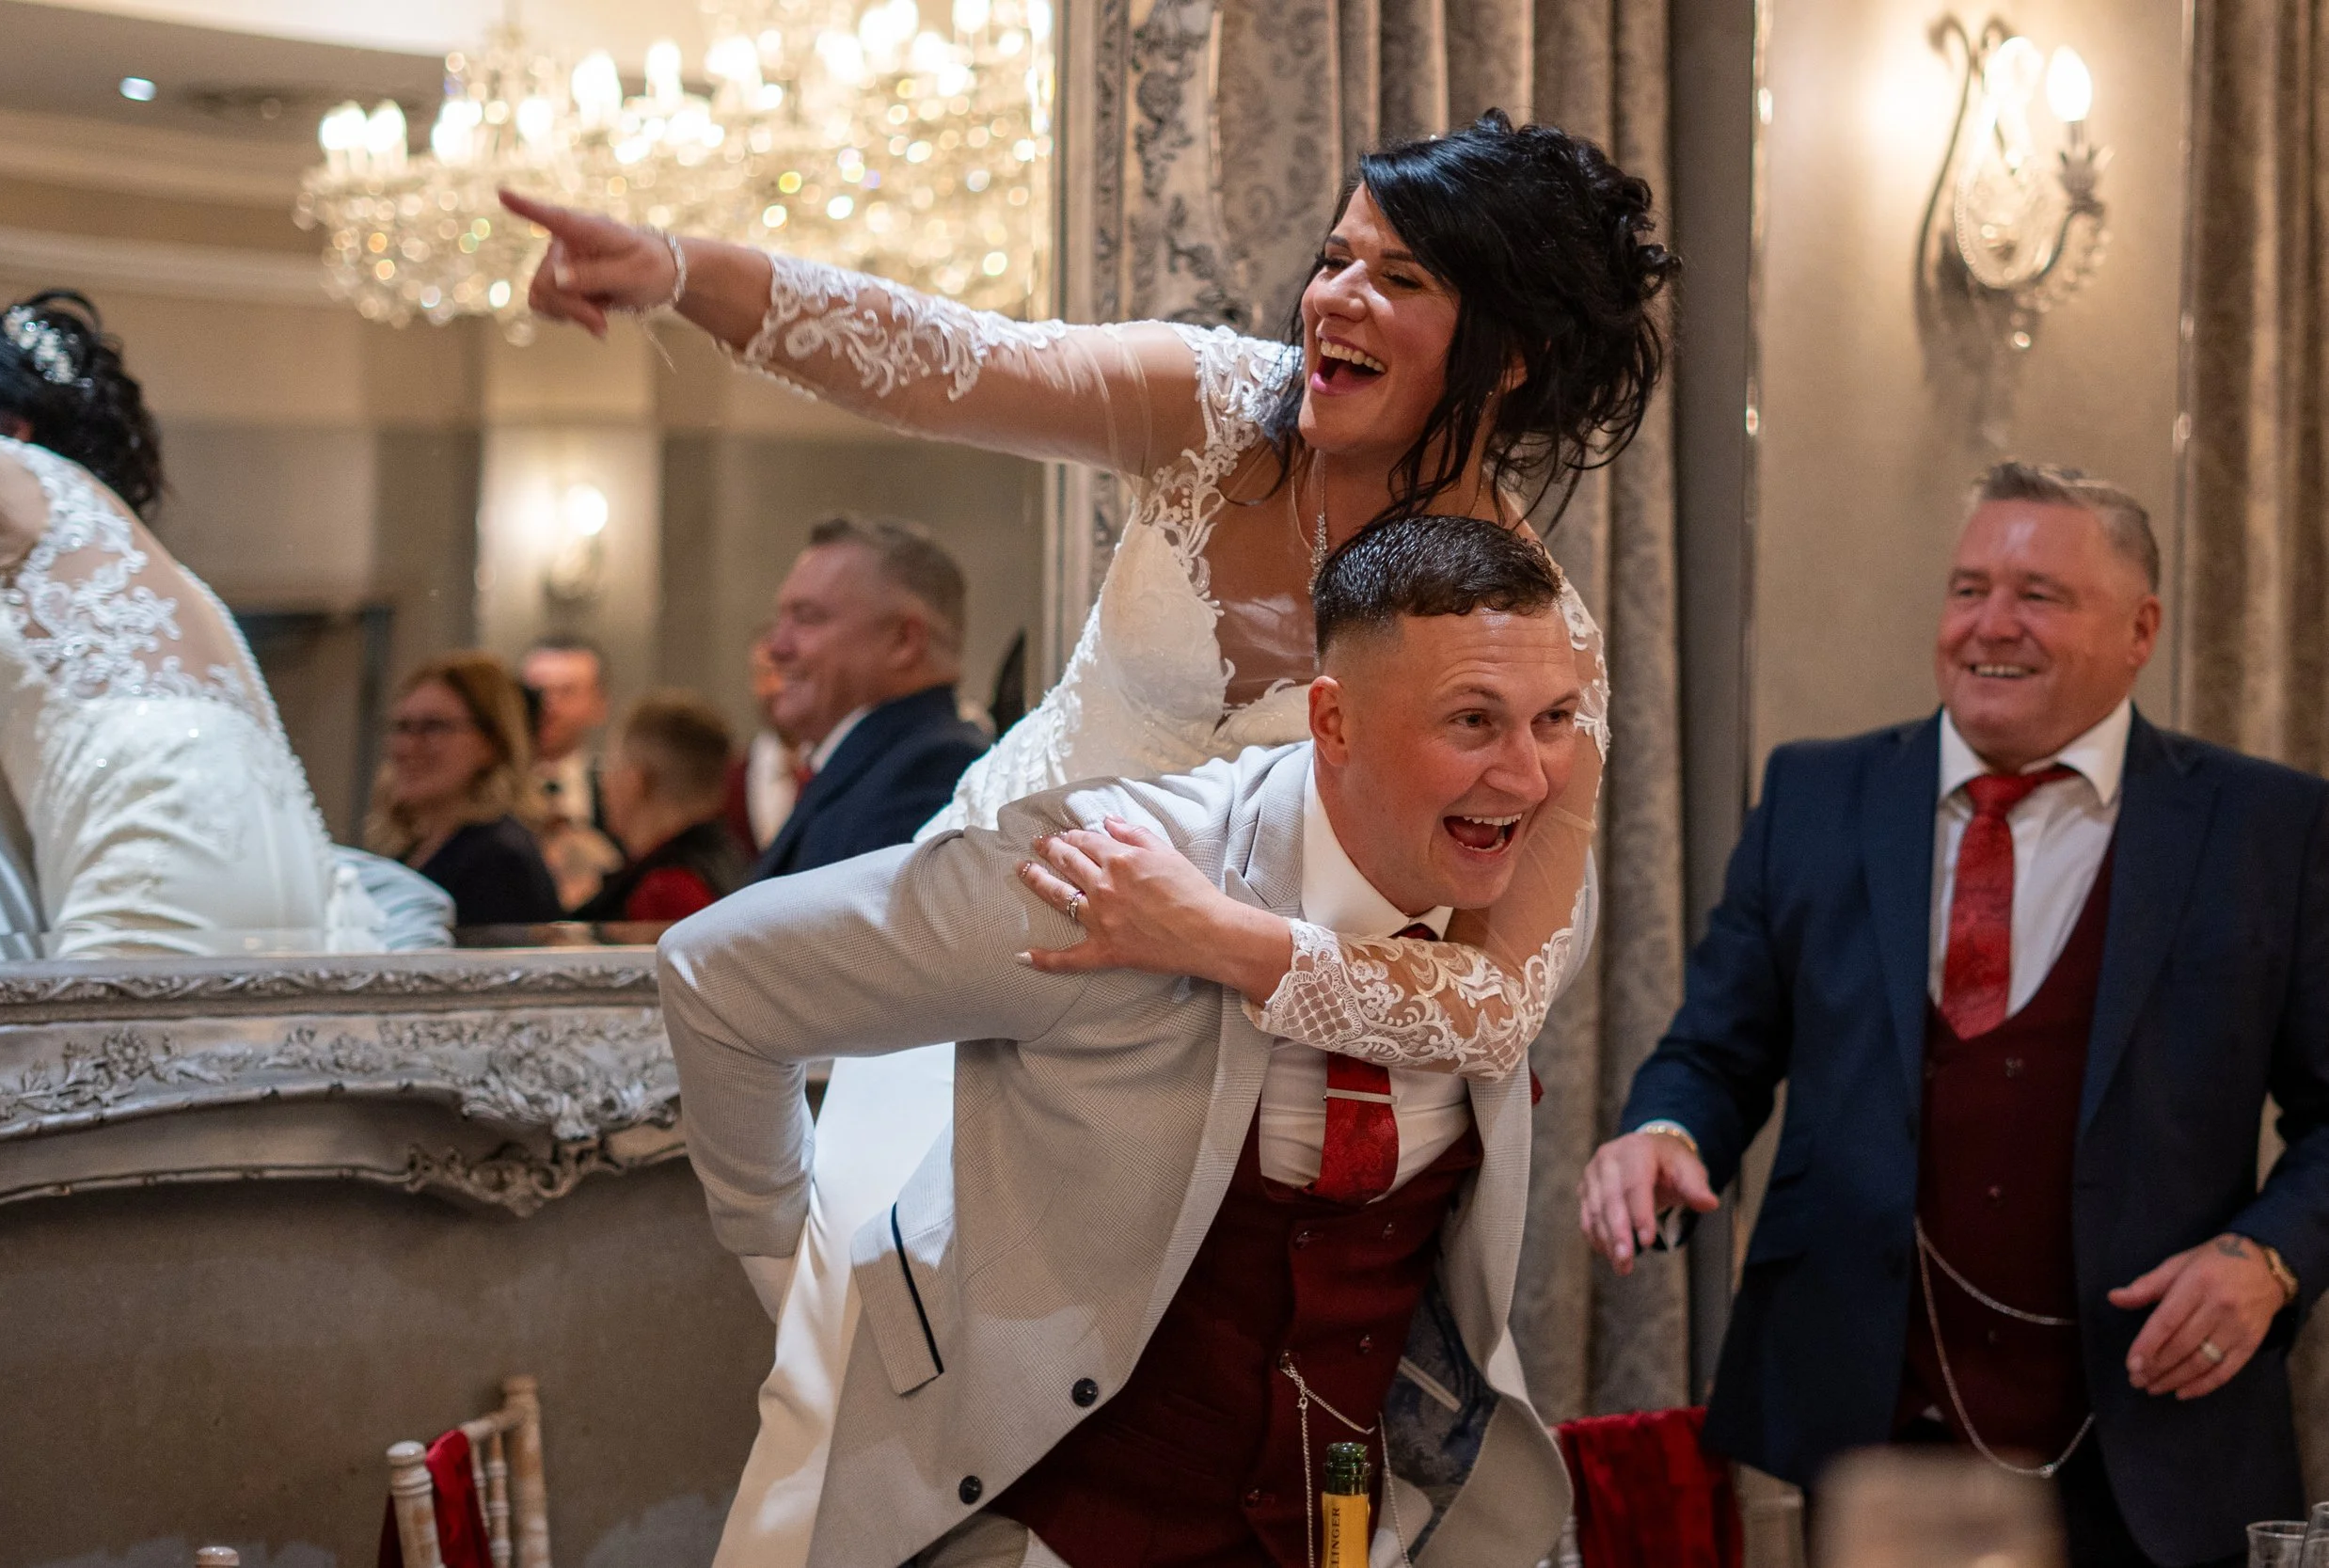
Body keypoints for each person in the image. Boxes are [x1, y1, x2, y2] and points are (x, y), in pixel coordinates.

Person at [507, 106, 1669, 1563]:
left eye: (1401, 278)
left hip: (1189, 1063)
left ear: (1504, 355)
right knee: (852, 1424)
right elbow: (945, 361)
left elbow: (1502, 998)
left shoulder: (1525, 631)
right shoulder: (1214, 410)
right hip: (983, 937)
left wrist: (1216, 941)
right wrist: (680, 268)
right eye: (1334, 258)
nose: (1335, 300)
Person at [663, 516, 1585, 1568]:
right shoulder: (1100, 876)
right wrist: (798, 1284)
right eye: (1472, 721)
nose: (1528, 778)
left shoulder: (1530, 898)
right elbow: (715, 974)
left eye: (1552, 719)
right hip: (1050, 1524)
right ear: (1333, 721)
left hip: (1349, 1528)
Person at [1579, 463, 2329, 1568]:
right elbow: (1715, 1050)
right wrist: (1664, 1132)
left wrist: (2266, 1257)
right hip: (1866, 1443)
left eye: (2038, 594)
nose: (1990, 625)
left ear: (2140, 628)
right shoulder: (1815, 795)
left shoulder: (2271, 826)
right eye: (1967, 586)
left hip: (2153, 1446)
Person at [0, 292, 342, 957]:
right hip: (287, 844)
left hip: (154, 820)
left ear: (11, 425)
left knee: (108, 1058)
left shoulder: (6, 467)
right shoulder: (160, 567)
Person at [751, 516, 989, 879]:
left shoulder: (932, 768)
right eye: (780, 619)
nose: (776, 648)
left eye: (807, 618)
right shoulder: (868, 761)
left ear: (904, 641)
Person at [364, 652, 564, 928]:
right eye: (402, 727)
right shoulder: (415, 847)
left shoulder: (498, 862)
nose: (407, 746)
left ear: (492, 743)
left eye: (433, 727)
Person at [575, 689, 747, 924]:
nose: (604, 781)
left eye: (612, 765)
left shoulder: (666, 892)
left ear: (634, 781)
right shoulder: (735, 862)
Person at [520, 635, 621, 908]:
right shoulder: (486, 794)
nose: (548, 706)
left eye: (566, 692)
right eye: (537, 692)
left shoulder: (619, 789)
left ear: (600, 705)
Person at [724, 626, 801, 862]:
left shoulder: (843, 769)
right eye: (765, 673)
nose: (777, 685)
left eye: (786, 672)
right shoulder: (732, 778)